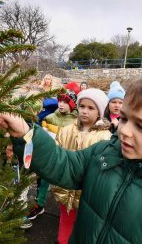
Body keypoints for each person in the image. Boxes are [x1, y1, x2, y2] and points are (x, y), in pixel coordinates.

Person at [0, 71, 142, 243]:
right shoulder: (104, 153)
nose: (125, 131)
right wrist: (25, 132)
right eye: (125, 119)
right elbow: (64, 165)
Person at [51, 88, 111, 244]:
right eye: (82, 106)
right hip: (66, 190)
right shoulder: (65, 131)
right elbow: (58, 157)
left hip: (88, 195)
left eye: (91, 108)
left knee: (86, 229)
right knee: (65, 224)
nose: (85, 111)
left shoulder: (105, 137)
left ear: (100, 112)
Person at [22, 91, 78, 229]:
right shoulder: (49, 118)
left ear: (72, 105)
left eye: (65, 102)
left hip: (68, 158)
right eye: (59, 101)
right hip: (51, 156)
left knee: (67, 187)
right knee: (43, 179)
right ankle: (39, 204)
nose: (61, 104)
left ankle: (68, 214)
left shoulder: (77, 122)